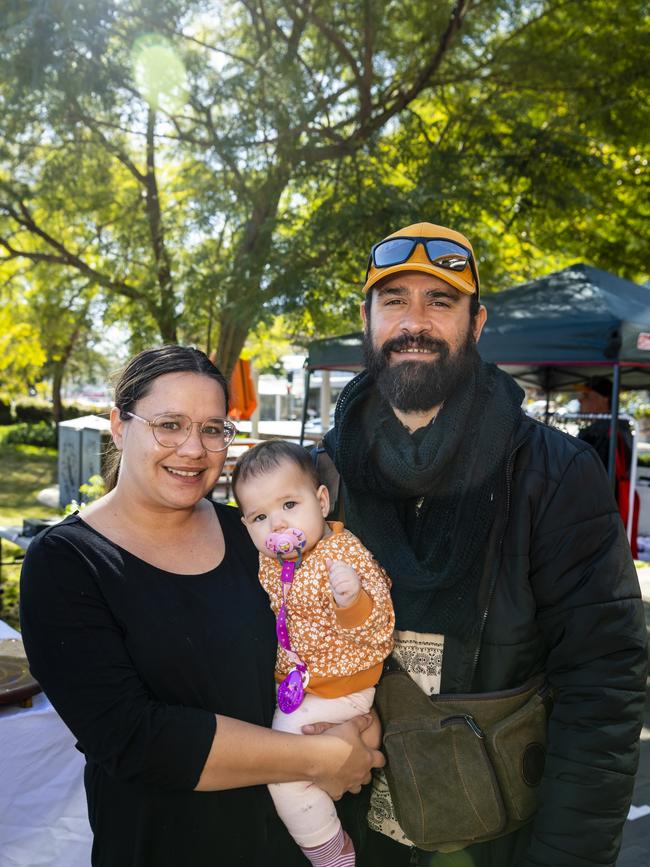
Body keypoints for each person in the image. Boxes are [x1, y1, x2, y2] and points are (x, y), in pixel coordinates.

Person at [316, 222, 648, 866]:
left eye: (441, 301)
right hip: (349, 832)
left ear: (477, 322)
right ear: (367, 317)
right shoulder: (320, 478)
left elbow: (603, 685)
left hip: (498, 836)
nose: (415, 321)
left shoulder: (554, 474)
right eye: (394, 300)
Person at [19, 345, 384, 867]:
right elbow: (132, 737)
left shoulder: (254, 535)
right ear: (119, 426)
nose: (193, 448)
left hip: (292, 845)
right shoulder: (66, 563)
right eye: (169, 424)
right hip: (167, 846)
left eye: (213, 429)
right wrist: (322, 756)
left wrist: (358, 724)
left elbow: (324, 637)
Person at [231, 440, 395, 867]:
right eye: (261, 517)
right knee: (295, 767)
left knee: (284, 771)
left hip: (340, 684)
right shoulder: (273, 560)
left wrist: (351, 599)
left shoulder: (341, 555)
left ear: (321, 501)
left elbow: (377, 623)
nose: (277, 524)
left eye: (289, 504)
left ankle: (330, 850)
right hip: (305, 684)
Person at [578, 376, 640, 556]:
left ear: (604, 399)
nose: (580, 400)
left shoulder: (605, 430)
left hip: (604, 508)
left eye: (587, 396)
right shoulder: (619, 426)